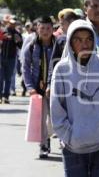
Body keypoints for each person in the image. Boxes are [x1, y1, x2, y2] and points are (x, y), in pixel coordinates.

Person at [50, 19, 99, 176]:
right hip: (72, 146)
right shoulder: (62, 69)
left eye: (88, 39)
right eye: (78, 40)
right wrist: (69, 136)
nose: (84, 44)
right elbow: (56, 107)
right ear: (70, 43)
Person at [22, 16, 56, 158]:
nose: (45, 31)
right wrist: (30, 87)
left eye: (48, 28)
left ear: (53, 29)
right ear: (37, 29)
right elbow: (25, 67)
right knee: (41, 118)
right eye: (42, 28)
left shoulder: (58, 44)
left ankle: (50, 136)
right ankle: (43, 144)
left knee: (54, 118)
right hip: (38, 88)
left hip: (55, 87)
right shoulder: (31, 45)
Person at [0, 17, 22, 103]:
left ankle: (6, 96)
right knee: (0, 78)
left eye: (14, 23)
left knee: (8, 78)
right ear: (8, 23)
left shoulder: (17, 33)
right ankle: (0, 96)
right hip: (1, 57)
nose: (12, 25)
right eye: (11, 23)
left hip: (11, 58)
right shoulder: (2, 31)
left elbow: (20, 46)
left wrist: (18, 41)